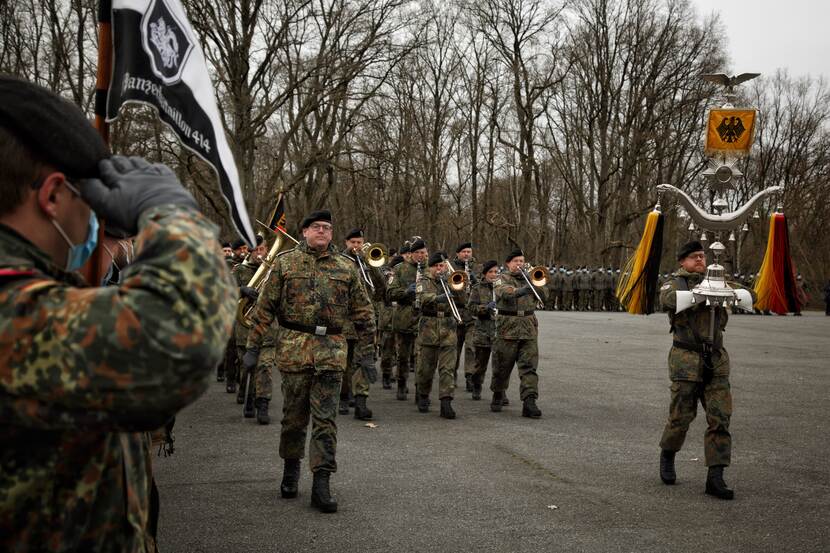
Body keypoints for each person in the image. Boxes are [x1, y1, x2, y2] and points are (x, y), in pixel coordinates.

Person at [0, 76, 236, 550]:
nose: (95, 220)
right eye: (90, 203)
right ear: (51, 196)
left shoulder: (36, 296)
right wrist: (169, 212)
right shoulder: (14, 313)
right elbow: (175, 338)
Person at [243, 210, 375, 513]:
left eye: (328, 228)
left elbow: (365, 314)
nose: (323, 232)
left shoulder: (346, 267)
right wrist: (252, 348)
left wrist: (367, 353)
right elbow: (264, 308)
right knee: (293, 418)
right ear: (304, 231)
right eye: (316, 227)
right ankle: (291, 470)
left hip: (331, 352)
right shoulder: (285, 262)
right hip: (294, 349)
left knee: (326, 421)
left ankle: (322, 482)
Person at [658, 240, 755, 500]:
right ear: (682, 261)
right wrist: (703, 293)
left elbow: (745, 294)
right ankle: (667, 455)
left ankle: (716, 476)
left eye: (702, 256)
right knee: (680, 417)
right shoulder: (674, 283)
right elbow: (666, 299)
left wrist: (723, 289)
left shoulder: (718, 280)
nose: (700, 260)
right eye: (694, 257)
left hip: (715, 359)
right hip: (686, 359)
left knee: (720, 417)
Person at [491, 249, 547, 418]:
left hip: (528, 327)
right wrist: (523, 289)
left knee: (529, 367)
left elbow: (544, 297)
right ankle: (498, 392)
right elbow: (505, 293)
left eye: (522, 261)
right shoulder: (501, 278)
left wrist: (537, 283)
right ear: (508, 263)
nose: (519, 264)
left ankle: (529, 401)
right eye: (515, 261)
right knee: (502, 366)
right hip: (507, 327)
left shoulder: (531, 278)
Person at [339, 227, 385, 420]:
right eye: (353, 243)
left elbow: (381, 288)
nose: (356, 246)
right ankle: (343, 397)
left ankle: (361, 402)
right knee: (343, 363)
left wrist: (372, 266)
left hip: (365, 321)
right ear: (346, 243)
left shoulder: (368, 262)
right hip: (344, 320)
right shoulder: (339, 261)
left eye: (359, 243)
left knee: (364, 360)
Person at [415, 251, 465, 418]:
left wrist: (457, 287)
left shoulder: (451, 278)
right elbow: (421, 298)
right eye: (436, 266)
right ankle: (423, 395)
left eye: (442, 266)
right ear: (430, 268)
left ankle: (446, 402)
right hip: (429, 327)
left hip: (448, 328)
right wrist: (438, 298)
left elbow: (464, 300)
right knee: (425, 369)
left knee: (447, 369)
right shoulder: (423, 279)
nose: (440, 269)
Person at [387, 238, 427, 400]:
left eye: (423, 253)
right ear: (410, 254)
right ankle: (402, 383)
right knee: (403, 356)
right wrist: (406, 292)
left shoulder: (431, 270)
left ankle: (420, 389)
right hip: (404, 317)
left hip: (424, 319)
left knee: (421, 357)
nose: (420, 256)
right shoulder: (400, 269)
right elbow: (390, 293)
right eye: (417, 253)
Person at [232, 234, 268, 419]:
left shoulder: (271, 270)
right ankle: (242, 390)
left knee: (260, 366)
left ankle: (252, 401)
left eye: (262, 249)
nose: (258, 253)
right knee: (245, 365)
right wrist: (241, 290)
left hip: (262, 326)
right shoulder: (239, 270)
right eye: (255, 249)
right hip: (243, 325)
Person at [467, 260, 499, 400]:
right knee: (480, 363)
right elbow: (471, 308)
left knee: (500, 364)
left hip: (500, 330)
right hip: (483, 330)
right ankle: (477, 384)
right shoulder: (477, 288)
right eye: (490, 272)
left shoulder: (502, 287)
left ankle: (499, 391)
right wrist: (485, 308)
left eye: (495, 272)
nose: (493, 275)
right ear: (485, 274)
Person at [451, 242, 477, 391]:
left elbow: (486, 284)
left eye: (469, 251)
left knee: (471, 347)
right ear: (458, 253)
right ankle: (452, 374)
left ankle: (470, 377)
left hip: (472, 314)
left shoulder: (477, 268)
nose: (466, 254)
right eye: (464, 252)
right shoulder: (451, 267)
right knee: (454, 347)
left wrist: (475, 280)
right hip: (456, 312)